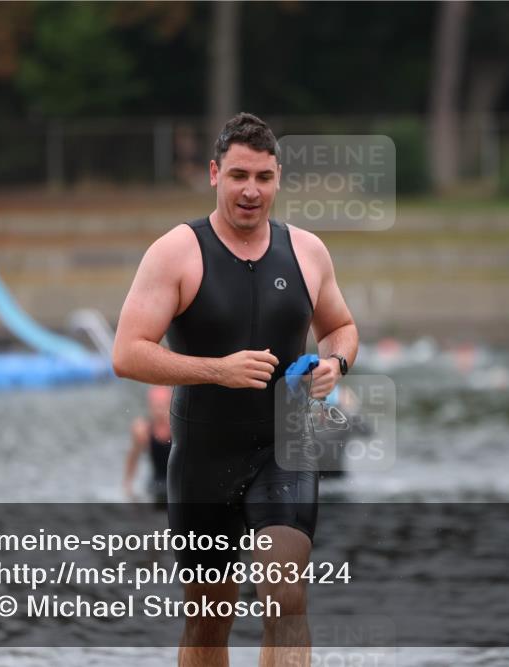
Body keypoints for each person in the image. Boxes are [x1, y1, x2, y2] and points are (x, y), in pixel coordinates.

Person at [113, 112, 358, 667]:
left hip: (284, 449)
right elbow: (127, 353)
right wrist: (216, 370)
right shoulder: (177, 251)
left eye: (264, 178)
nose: (252, 191)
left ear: (277, 180)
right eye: (239, 176)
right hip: (204, 455)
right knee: (207, 621)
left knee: (286, 597)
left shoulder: (307, 252)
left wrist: (336, 362)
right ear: (214, 174)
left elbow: (341, 326)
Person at [123, 385, 173, 507]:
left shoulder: (179, 429)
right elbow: (133, 458)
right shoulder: (143, 430)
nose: (159, 411)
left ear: (171, 406)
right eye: (156, 406)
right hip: (156, 485)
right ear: (149, 407)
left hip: (177, 485)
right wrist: (128, 485)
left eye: (163, 406)